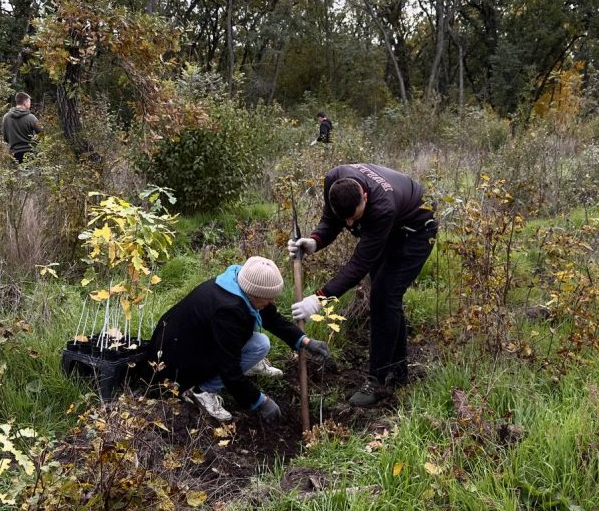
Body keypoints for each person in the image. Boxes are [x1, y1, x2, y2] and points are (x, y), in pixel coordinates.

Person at [288, 164, 436, 407]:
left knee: (384, 296)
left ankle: (376, 381)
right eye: (343, 218)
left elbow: (359, 265)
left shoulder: (382, 207)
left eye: (354, 218)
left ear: (364, 196)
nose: (348, 224)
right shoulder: (335, 180)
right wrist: (314, 241)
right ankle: (397, 373)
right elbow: (330, 220)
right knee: (386, 299)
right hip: (389, 228)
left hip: (415, 231)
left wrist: (319, 300)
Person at [147, 256, 330, 423]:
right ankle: (203, 391)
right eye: (268, 298)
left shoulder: (241, 284)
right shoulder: (227, 311)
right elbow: (230, 370)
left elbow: (272, 319)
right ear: (254, 293)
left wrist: (305, 342)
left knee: (261, 343)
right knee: (253, 348)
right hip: (178, 363)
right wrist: (260, 401)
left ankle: (248, 364)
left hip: (194, 341)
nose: (272, 302)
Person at [2, 92, 42, 164]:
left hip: (14, 154)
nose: (30, 104)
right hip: (30, 154)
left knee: (16, 175)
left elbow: (5, 138)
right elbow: (42, 134)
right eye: (29, 101)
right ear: (25, 102)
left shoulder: (6, 117)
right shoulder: (31, 117)